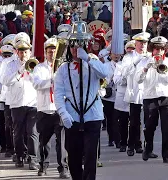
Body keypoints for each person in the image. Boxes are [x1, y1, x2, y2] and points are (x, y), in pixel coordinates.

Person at [54, 25, 113, 179]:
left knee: (90, 155)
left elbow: (105, 73)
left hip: (92, 115)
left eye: (79, 44)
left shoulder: (92, 62)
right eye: (72, 45)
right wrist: (63, 113)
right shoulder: (63, 68)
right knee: (73, 156)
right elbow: (58, 93)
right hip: (72, 115)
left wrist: (87, 58)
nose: (75, 48)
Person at [134, 36, 168, 163]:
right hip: (150, 97)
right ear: (151, 49)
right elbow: (138, 80)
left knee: (167, 127)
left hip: (165, 96)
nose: (158, 51)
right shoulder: (144, 62)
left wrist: (162, 70)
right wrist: (146, 68)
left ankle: (167, 155)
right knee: (149, 127)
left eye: (161, 49)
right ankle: (148, 149)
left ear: (165, 50)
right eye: (156, 49)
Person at [0, 32, 38, 170]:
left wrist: (32, 72)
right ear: (16, 51)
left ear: (29, 51)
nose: (23, 54)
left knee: (32, 132)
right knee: (18, 132)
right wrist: (19, 72)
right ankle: (20, 156)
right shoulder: (8, 63)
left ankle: (32, 158)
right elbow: (4, 81)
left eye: (26, 51)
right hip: (16, 102)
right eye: (20, 51)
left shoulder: (35, 62)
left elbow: (39, 82)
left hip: (32, 102)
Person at [32, 38, 69, 178]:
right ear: (45, 53)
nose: (52, 54)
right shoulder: (39, 68)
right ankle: (42, 166)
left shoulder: (63, 67)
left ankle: (63, 168)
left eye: (54, 52)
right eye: (49, 52)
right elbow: (36, 84)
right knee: (44, 141)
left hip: (59, 109)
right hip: (44, 109)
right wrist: (51, 81)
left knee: (62, 142)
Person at [122, 32, 151, 156]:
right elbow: (124, 73)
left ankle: (145, 146)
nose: (142, 45)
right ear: (136, 43)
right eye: (140, 43)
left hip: (148, 92)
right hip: (134, 92)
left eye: (144, 43)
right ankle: (131, 145)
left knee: (148, 122)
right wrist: (136, 61)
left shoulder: (150, 56)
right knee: (134, 121)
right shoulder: (129, 57)